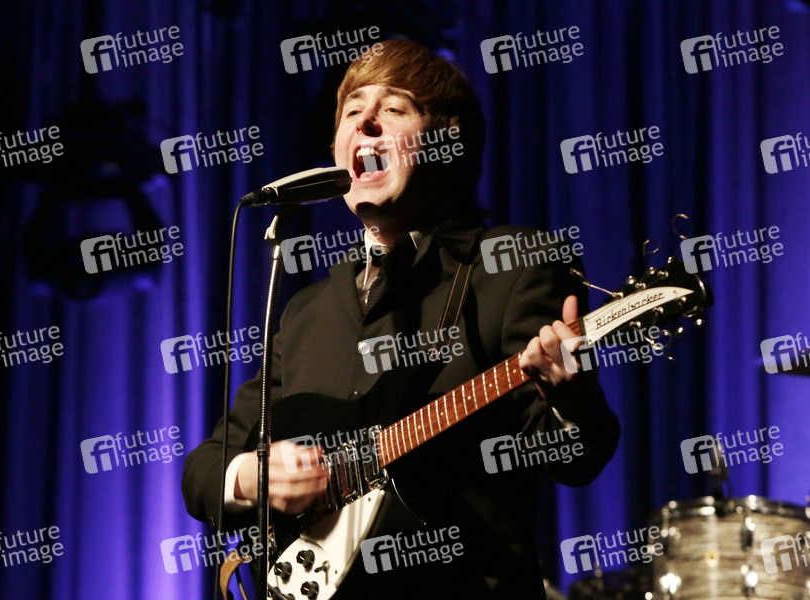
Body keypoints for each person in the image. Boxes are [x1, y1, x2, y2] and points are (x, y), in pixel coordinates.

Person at [183, 39, 620, 599]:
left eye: (393, 108)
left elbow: (577, 458)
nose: (365, 122)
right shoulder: (307, 312)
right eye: (351, 111)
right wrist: (251, 476)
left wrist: (572, 400)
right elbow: (204, 470)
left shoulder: (510, 265)